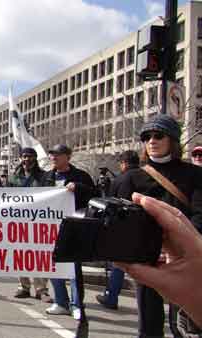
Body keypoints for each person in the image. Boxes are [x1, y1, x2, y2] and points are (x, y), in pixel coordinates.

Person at [111, 114, 202, 338]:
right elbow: (120, 221)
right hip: (145, 255)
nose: (152, 140)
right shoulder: (129, 179)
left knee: (184, 324)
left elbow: (200, 214)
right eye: (147, 136)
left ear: (172, 139)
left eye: (158, 135)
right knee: (149, 324)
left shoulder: (196, 175)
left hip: (185, 256)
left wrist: (180, 247)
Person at [117, 193, 202, 334]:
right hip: (185, 253)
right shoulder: (195, 176)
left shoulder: (134, 177)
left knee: (150, 316)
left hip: (148, 255)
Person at [42, 144, 96, 320]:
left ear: (68, 157)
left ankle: (77, 305)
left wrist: (79, 187)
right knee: (53, 265)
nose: (53, 157)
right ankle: (60, 301)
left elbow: (95, 195)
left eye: (57, 154)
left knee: (73, 268)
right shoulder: (46, 178)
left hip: (74, 228)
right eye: (52, 154)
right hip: (50, 228)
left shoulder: (81, 176)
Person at [3, 147, 51, 302]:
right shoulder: (13, 178)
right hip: (18, 222)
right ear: (20, 158)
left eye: (30, 157)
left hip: (38, 222)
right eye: (24, 156)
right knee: (20, 255)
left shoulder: (44, 177)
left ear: (35, 159)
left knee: (38, 255)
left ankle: (41, 290)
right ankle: (23, 286)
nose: (27, 160)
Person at [96, 149, 140, 310]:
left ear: (124, 163)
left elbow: (109, 202)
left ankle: (111, 297)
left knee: (117, 265)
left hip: (121, 227)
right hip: (143, 228)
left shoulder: (120, 180)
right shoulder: (146, 177)